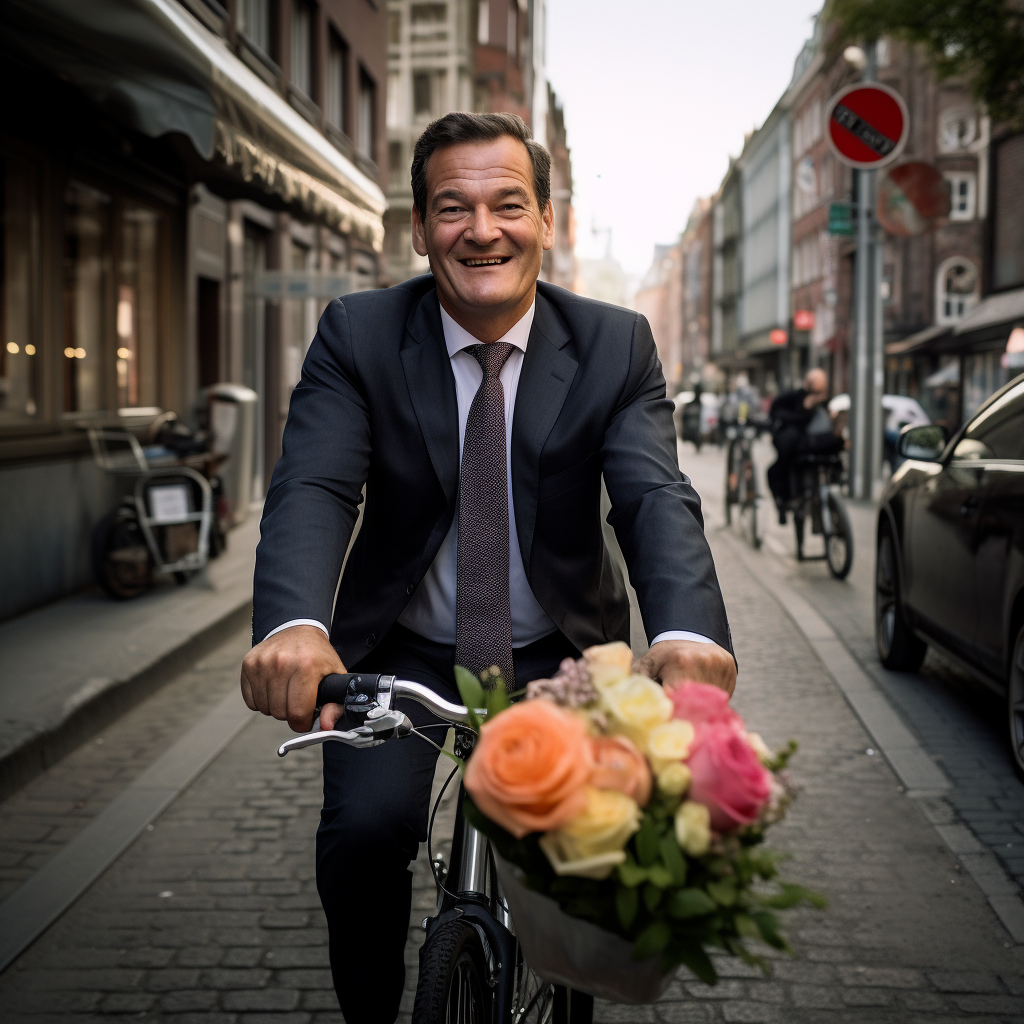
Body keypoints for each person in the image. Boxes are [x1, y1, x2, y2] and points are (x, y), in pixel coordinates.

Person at [240, 112, 736, 1024]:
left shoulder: (615, 344)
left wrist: (687, 632)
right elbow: (313, 483)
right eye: (451, 208)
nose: (482, 229)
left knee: (582, 851)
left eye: (509, 204)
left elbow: (654, 497)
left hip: (563, 651)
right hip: (403, 652)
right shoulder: (357, 332)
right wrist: (294, 626)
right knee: (363, 835)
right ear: (421, 229)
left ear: (547, 221)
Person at [766, 367, 844, 524]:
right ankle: (788, 504)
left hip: (821, 449)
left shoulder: (826, 404)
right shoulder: (791, 399)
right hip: (796, 450)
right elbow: (779, 418)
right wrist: (805, 409)